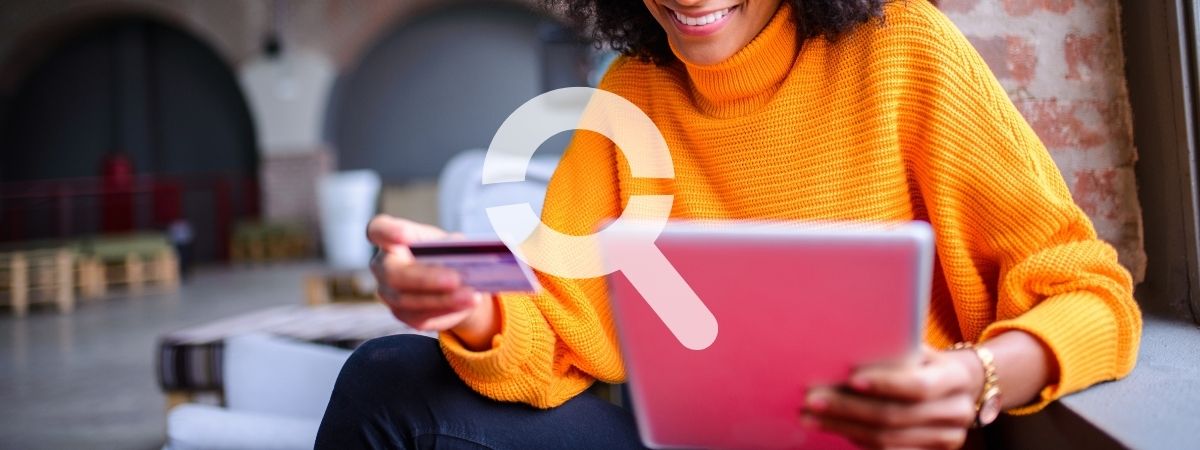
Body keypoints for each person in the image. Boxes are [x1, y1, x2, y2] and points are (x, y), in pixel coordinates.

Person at [316, 1, 1142, 449]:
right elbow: (554, 318)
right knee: (385, 379)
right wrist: (471, 303)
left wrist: (977, 378)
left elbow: (1094, 295)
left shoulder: (902, 52)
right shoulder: (633, 91)